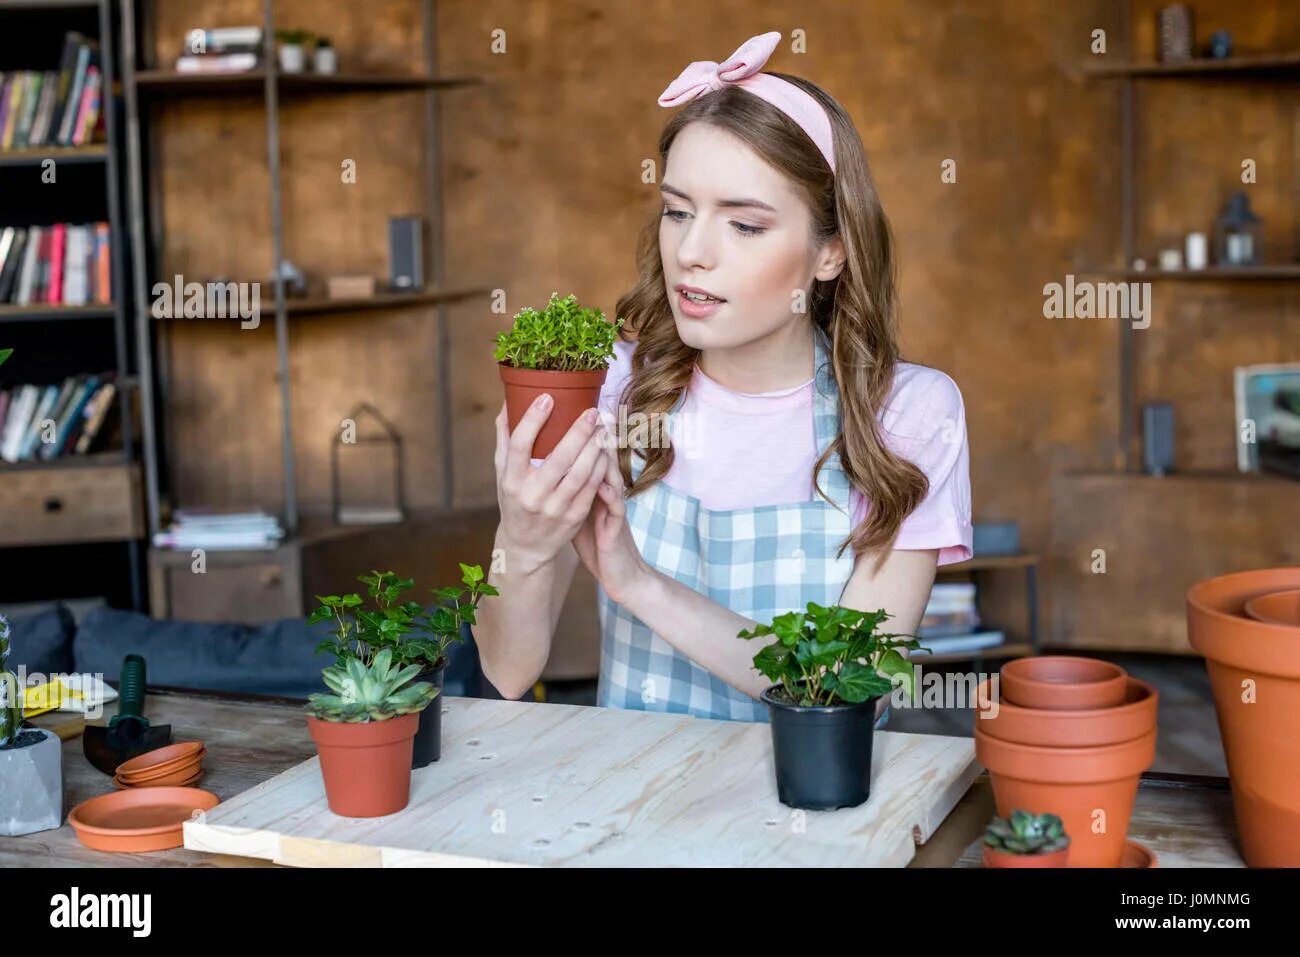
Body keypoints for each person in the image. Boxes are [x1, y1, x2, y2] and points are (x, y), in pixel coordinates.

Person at [474, 32, 972, 726]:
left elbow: (857, 683)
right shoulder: (611, 388)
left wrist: (641, 586)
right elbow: (507, 668)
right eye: (678, 211)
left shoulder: (908, 414)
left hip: (817, 815)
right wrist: (521, 546)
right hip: (633, 811)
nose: (692, 252)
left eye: (744, 224)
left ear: (831, 251)